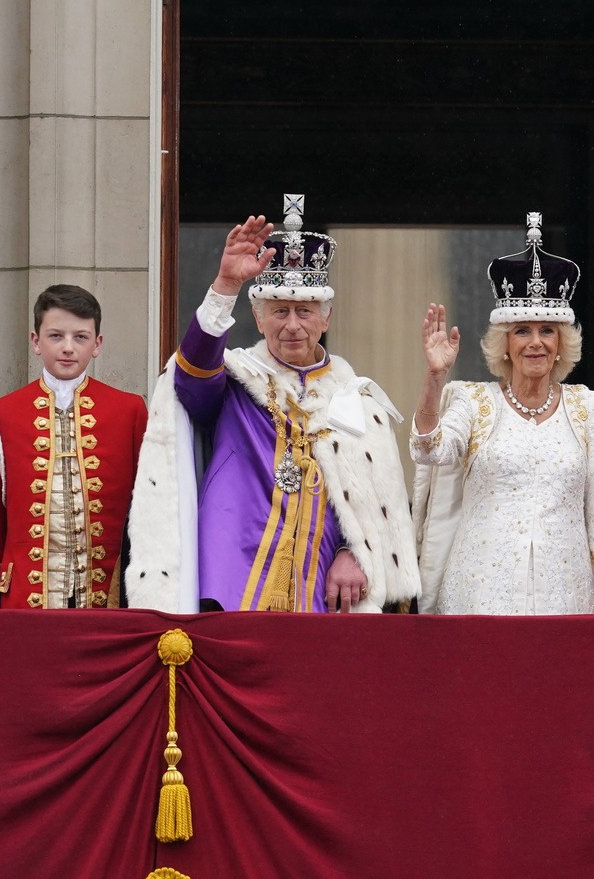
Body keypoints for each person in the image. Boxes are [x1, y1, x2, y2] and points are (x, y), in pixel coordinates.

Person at [127, 195, 419, 613]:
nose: (293, 325)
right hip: (231, 570)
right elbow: (190, 376)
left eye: (305, 310)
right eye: (280, 310)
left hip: (321, 582)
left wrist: (355, 551)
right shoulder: (234, 381)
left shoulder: (358, 401)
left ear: (327, 318)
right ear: (259, 317)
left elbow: (371, 500)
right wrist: (225, 286)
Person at [408, 214, 594, 614]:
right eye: (522, 330)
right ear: (505, 343)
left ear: (561, 342)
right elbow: (428, 449)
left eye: (547, 330)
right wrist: (435, 377)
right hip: (479, 595)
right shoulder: (475, 401)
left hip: (566, 596)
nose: (535, 343)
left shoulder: (584, 405)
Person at [0, 285, 147, 609]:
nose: (68, 348)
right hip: (24, 596)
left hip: (106, 594)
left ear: (98, 344)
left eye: (80, 337)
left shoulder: (129, 410)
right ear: (36, 341)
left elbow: (145, 507)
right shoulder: (0, 414)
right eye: (55, 336)